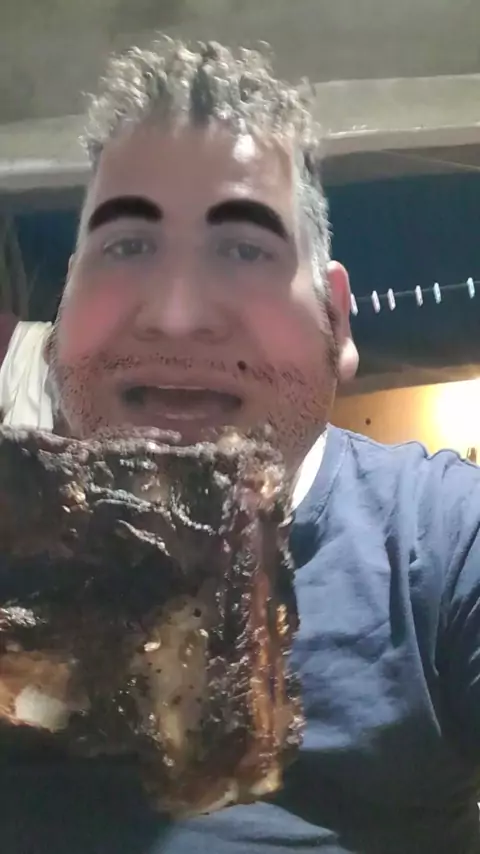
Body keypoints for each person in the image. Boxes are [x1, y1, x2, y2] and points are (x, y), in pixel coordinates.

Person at [1, 35, 480, 854]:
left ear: (336, 320)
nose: (177, 316)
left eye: (245, 248)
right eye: (126, 246)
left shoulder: (441, 545)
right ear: (63, 313)